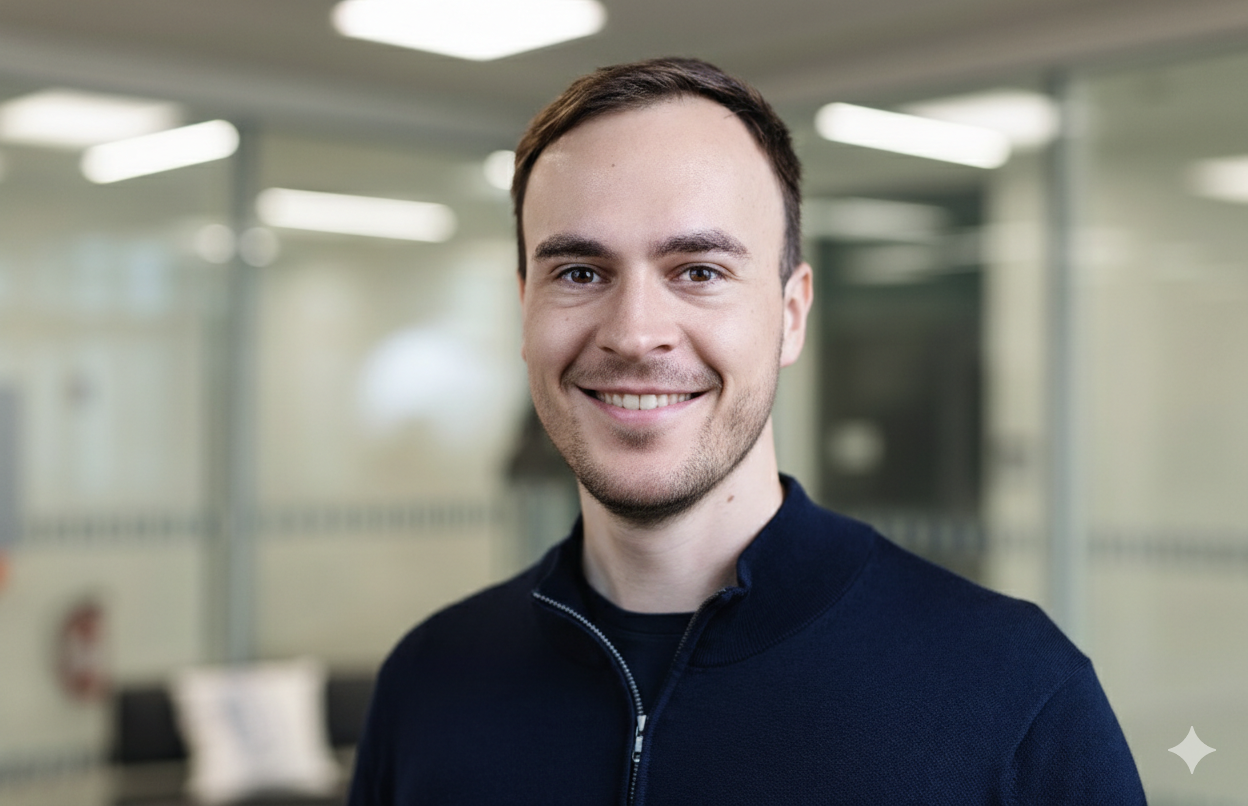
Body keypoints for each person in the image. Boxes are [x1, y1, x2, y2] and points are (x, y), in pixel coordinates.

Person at [349, 57, 1145, 805]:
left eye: (699, 272)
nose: (634, 333)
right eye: (580, 273)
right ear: (525, 308)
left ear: (791, 315)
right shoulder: (429, 680)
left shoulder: (1012, 691)